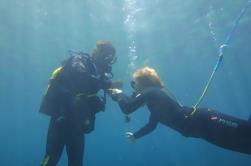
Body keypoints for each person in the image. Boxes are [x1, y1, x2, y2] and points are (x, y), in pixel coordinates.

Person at [109, 66, 251, 155]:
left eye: (135, 83)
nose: (134, 87)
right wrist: (135, 135)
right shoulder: (153, 104)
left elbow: (127, 107)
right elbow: (151, 125)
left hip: (206, 120)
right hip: (202, 130)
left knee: (247, 130)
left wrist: (119, 94)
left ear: (143, 82)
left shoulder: (151, 91)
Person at [40, 40, 121, 166]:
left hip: (77, 122)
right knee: (51, 159)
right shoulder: (79, 60)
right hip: (61, 117)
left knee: (76, 162)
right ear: (99, 53)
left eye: (111, 58)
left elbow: (102, 86)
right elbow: (81, 77)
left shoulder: (97, 72)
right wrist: (107, 84)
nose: (109, 61)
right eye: (107, 56)